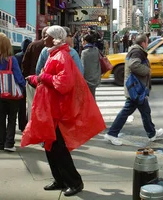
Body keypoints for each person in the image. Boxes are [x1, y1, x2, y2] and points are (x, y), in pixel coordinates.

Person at [23, 26, 105, 197]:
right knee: (50, 145)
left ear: (54, 39)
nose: (43, 38)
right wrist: (38, 79)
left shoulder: (61, 56)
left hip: (57, 111)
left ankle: (74, 182)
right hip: (50, 109)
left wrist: (40, 78)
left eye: (46, 36)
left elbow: (64, 84)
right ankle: (60, 179)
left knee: (58, 147)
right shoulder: (55, 54)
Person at [104, 34, 163, 146]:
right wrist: (147, 71)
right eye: (147, 42)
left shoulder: (136, 51)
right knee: (126, 112)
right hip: (135, 89)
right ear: (143, 43)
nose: (148, 43)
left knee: (145, 111)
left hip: (137, 88)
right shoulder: (137, 52)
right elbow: (134, 65)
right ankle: (112, 134)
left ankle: (152, 134)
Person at [0, 33, 26, 152]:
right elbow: (18, 77)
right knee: (12, 118)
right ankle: (9, 143)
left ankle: (1, 143)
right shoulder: (11, 59)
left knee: (0, 118)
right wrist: (23, 86)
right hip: (11, 93)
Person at [15, 38, 32, 132]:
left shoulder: (17, 56)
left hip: (20, 83)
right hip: (29, 81)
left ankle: (21, 125)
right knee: (30, 104)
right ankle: (28, 123)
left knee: (21, 106)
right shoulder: (31, 55)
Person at [81, 34, 102, 98]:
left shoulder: (84, 52)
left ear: (85, 41)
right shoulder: (96, 50)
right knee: (92, 97)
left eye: (82, 41)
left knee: (89, 98)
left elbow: (82, 66)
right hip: (95, 78)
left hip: (87, 80)